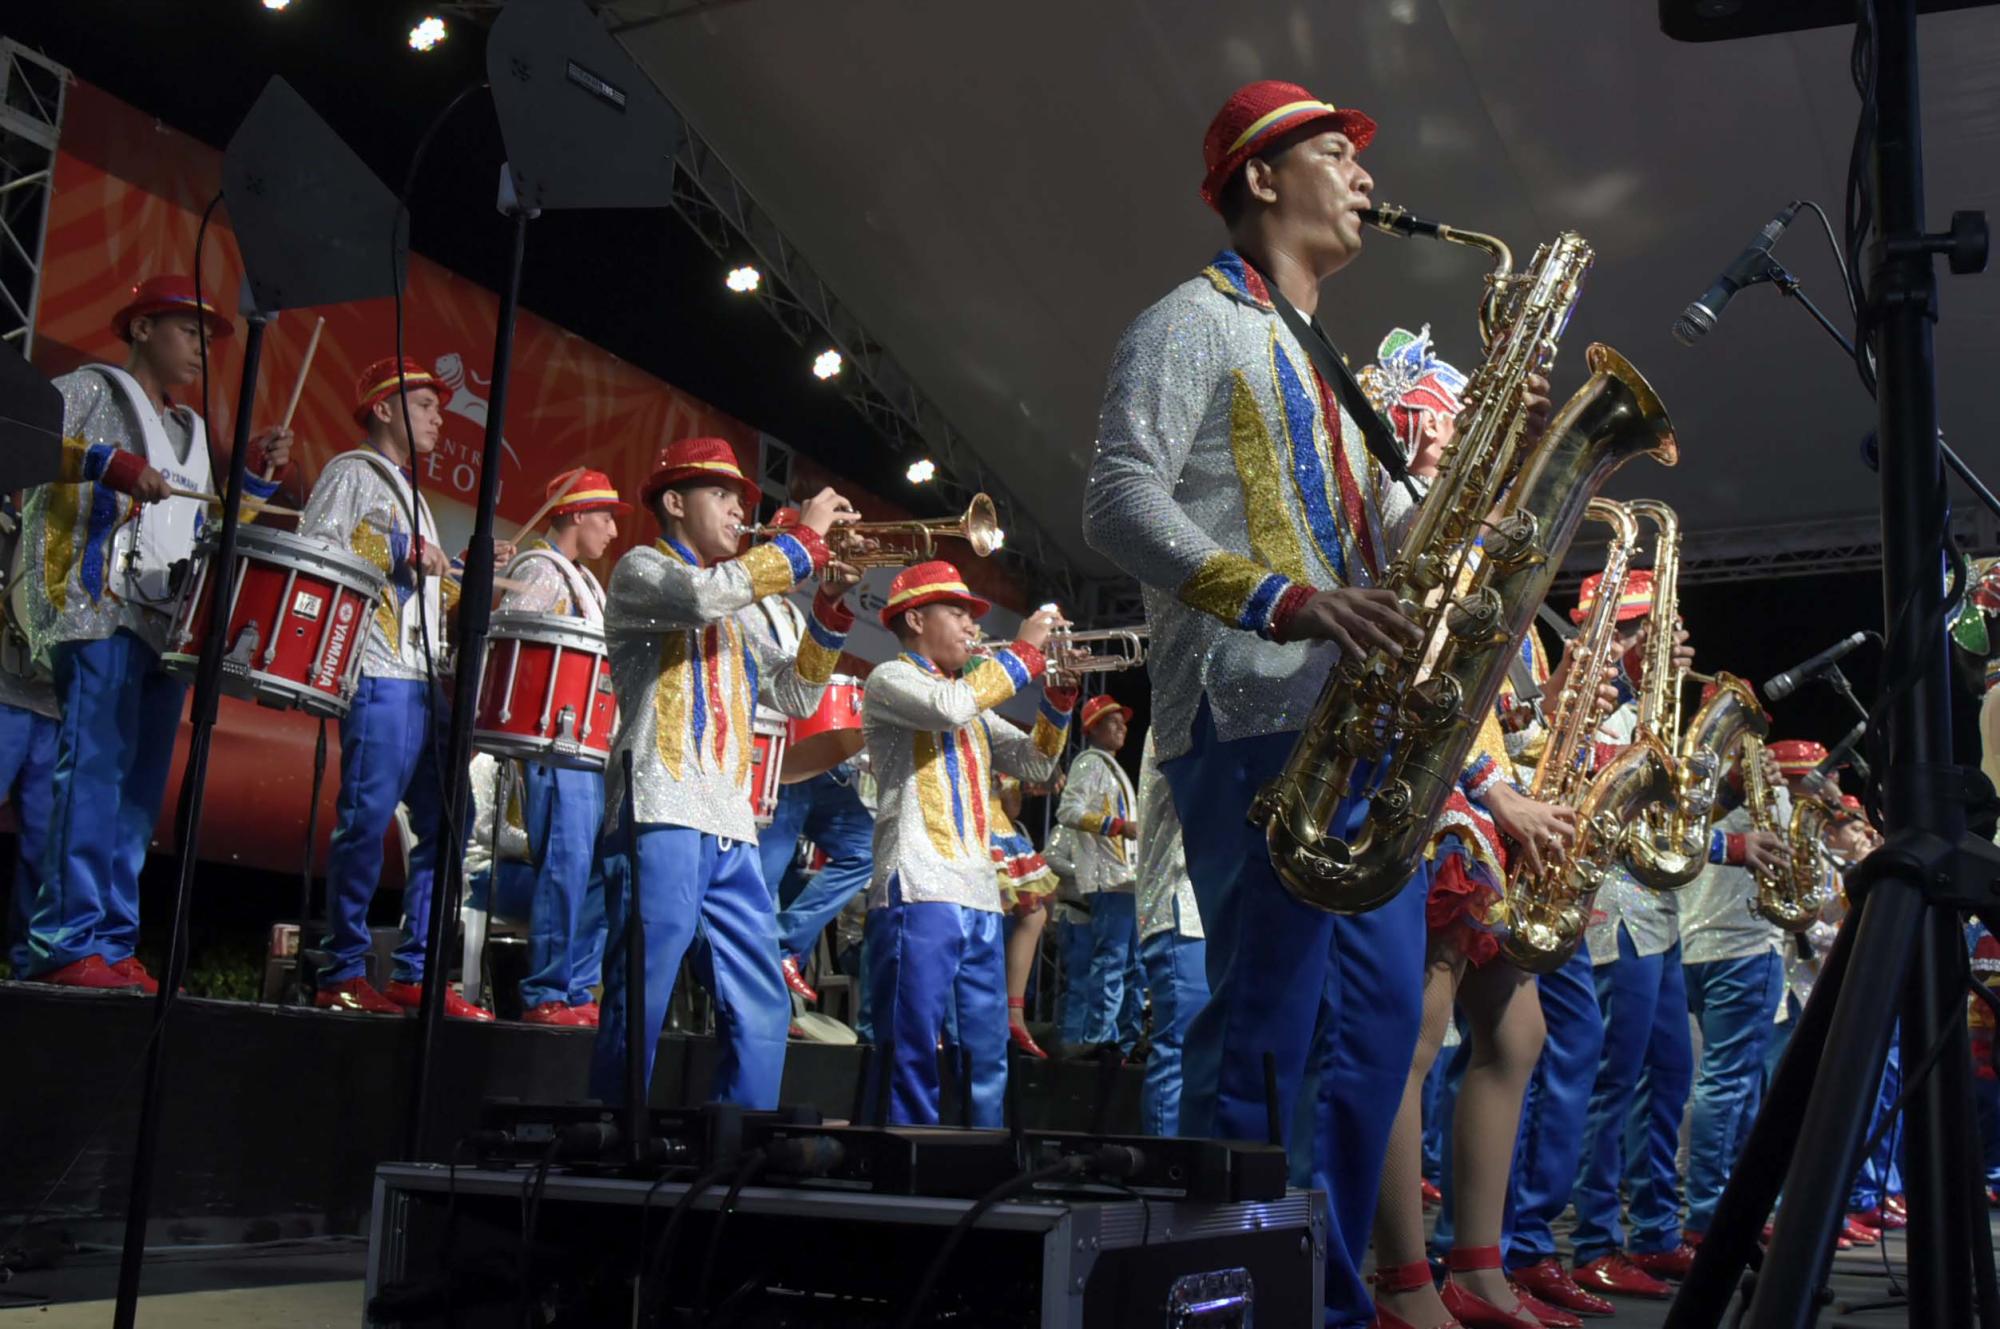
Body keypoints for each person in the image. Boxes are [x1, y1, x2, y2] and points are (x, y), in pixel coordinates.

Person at [1082, 79, 1551, 1324]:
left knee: (1371, 1045)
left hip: (1358, 734)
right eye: (1335, 154)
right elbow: (1117, 501)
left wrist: (1504, 483)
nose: (1360, 176)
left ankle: (1330, 1304)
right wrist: (1284, 602)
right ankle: (1229, 1299)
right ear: (1257, 177)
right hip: (1248, 719)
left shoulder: (1323, 358)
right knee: (1269, 1038)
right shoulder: (1189, 321)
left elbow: (1391, 543)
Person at [19, 275, 290, 990]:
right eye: (186, 330)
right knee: (96, 769)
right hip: (98, 604)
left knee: (139, 794)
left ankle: (110, 939)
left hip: (166, 624)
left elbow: (201, 532)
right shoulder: (90, 387)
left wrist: (255, 486)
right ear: (141, 328)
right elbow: (27, 439)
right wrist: (107, 462)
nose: (202, 348)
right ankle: (67, 939)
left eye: (207, 337)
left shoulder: (196, 433)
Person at [588, 437, 858, 1105]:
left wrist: (828, 611)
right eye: (722, 493)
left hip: (730, 821)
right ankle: (613, 1140)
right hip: (661, 808)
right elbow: (704, 596)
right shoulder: (642, 570)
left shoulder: (738, 603)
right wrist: (802, 543)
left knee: (764, 1002)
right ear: (674, 502)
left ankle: (736, 1148)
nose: (740, 508)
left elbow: (797, 695)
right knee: (642, 992)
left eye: (742, 497)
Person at [296, 356, 507, 1017]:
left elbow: (422, 592)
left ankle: (418, 970)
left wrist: (463, 570)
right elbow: (315, 554)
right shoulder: (349, 473)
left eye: (441, 407)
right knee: (363, 821)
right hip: (377, 669)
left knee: (453, 818)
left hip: (420, 677)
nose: (440, 418)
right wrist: (395, 552)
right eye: (424, 404)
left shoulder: (411, 493)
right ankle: (341, 969)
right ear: (382, 407)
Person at [860, 563, 1071, 1126]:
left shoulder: (970, 701)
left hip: (978, 891)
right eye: (957, 613)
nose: (972, 626)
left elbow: (1038, 762)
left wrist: (1059, 700)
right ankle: (906, 1165)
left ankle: (984, 1156)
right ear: (914, 618)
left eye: (972, 616)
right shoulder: (891, 679)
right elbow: (947, 709)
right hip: (919, 884)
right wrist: (1025, 653)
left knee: (986, 1050)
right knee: (912, 1047)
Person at [496, 467, 627, 1025]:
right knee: (566, 866)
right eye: (606, 517)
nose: (613, 532)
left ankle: (576, 987)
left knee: (597, 870)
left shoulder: (588, 583)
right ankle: (545, 991)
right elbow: (512, 645)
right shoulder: (539, 569)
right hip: (554, 743)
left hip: (589, 748)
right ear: (575, 514)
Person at [740, 510, 876, 1004]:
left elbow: (808, 688)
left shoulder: (797, 612)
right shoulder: (741, 601)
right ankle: (753, 992)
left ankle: (781, 945)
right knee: (764, 877)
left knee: (866, 849)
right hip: (770, 762)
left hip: (809, 760)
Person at [1678, 736, 1795, 1246]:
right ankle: (1712, 1214)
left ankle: (1722, 1204)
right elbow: (1789, 855)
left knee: (1715, 1085)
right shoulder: (1765, 790)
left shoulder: (1686, 783)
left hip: (1688, 944)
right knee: (1729, 1086)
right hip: (1745, 944)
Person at [1057, 694, 1141, 1052]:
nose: (1122, 725)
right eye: (1112, 720)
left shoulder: (1108, 766)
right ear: (1092, 728)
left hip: (1126, 881)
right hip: (1111, 880)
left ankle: (1124, 1043)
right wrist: (1118, 826)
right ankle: (1099, 1041)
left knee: (1132, 967)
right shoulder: (1090, 763)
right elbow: (1067, 811)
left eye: (1122, 720)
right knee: (1112, 964)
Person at [1134, 730, 1207, 1134]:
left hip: (1207, 908)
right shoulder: (1178, 706)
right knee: (1182, 1049)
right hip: (1182, 907)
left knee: (1204, 1056)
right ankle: (1166, 1178)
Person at [991, 771, 1058, 1057]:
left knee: (1032, 913)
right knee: (998, 915)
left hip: (990, 828)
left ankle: (1012, 1013)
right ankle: (1009, 1014)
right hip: (978, 827)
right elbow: (1011, 805)